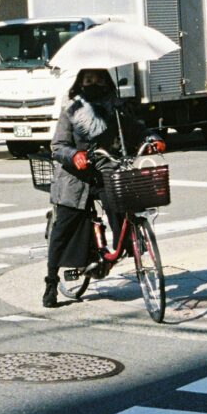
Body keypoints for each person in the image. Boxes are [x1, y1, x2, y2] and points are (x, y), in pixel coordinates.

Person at [43, 68, 165, 308]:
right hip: (75, 179)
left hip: (107, 171)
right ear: (80, 84)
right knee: (64, 228)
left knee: (121, 203)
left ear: (107, 82)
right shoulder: (72, 110)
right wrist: (74, 155)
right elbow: (57, 146)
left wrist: (152, 139)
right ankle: (50, 281)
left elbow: (138, 130)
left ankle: (120, 250)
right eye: (88, 80)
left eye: (99, 80)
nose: (93, 84)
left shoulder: (117, 108)